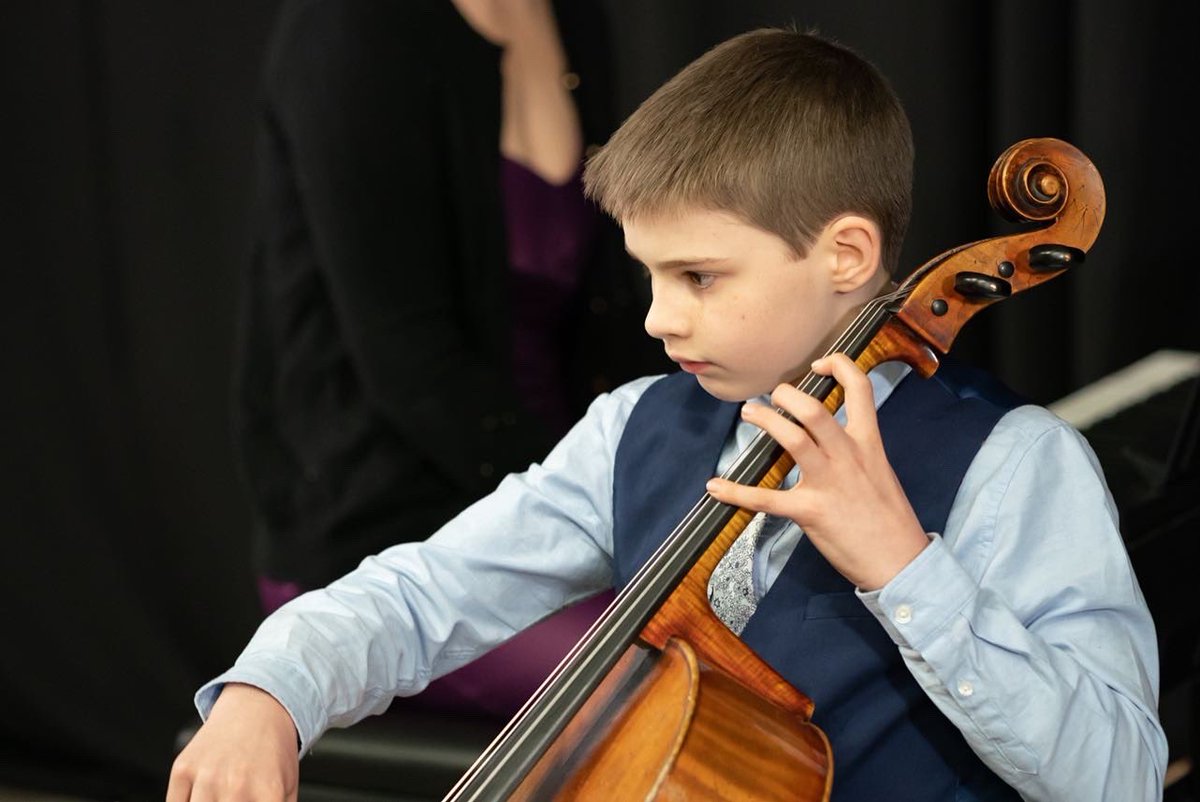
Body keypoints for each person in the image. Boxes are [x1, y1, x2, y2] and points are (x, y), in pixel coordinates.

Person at [169, 27, 1167, 801]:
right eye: (649, 274)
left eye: (699, 276)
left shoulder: (1015, 467)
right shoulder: (635, 427)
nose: (657, 318)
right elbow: (422, 594)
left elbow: (1119, 775)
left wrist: (906, 568)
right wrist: (270, 691)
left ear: (847, 255)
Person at [233, 0, 618, 717]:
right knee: (669, 675)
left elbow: (615, 309)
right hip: (397, 549)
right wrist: (599, 506)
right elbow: (408, 359)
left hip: (563, 507)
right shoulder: (351, 27)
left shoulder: (572, 14)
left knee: (779, 629)